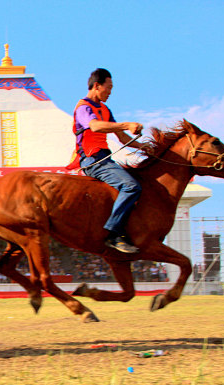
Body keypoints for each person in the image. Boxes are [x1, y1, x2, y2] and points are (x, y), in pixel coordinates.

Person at [67, 68, 144, 253]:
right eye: (108, 87)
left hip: (104, 157)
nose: (110, 92)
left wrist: (146, 147)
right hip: (91, 159)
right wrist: (127, 124)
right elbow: (94, 126)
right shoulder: (83, 107)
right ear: (96, 86)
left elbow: (123, 138)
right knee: (131, 186)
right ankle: (113, 234)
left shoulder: (104, 109)